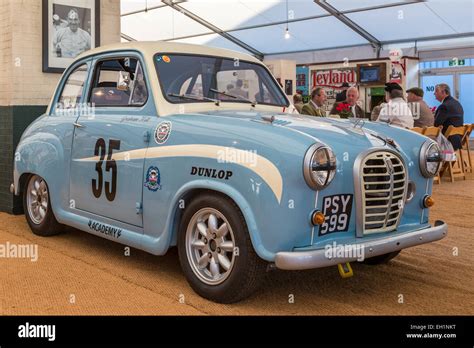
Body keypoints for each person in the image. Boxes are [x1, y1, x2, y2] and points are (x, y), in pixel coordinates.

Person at [434, 83, 464, 150]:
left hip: (448, 141)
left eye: (436, 91)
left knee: (426, 137)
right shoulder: (457, 103)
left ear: (444, 92)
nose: (434, 93)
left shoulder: (444, 106)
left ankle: (433, 159)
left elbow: (436, 124)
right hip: (458, 139)